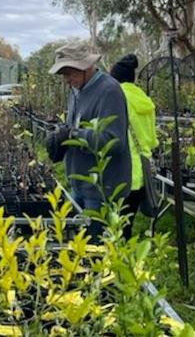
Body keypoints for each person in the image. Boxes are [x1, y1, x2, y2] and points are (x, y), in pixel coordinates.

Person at [45, 42, 131, 242]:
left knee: (95, 251)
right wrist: (61, 139)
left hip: (101, 189)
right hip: (79, 185)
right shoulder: (76, 90)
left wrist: (73, 135)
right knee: (77, 245)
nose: (66, 80)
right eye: (63, 74)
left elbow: (114, 142)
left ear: (86, 66)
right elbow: (73, 126)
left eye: (69, 73)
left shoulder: (109, 91)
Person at [110, 54, 159, 239]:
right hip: (142, 172)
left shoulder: (116, 98)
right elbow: (153, 140)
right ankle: (129, 261)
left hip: (122, 171)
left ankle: (118, 263)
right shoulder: (146, 101)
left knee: (115, 225)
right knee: (127, 223)